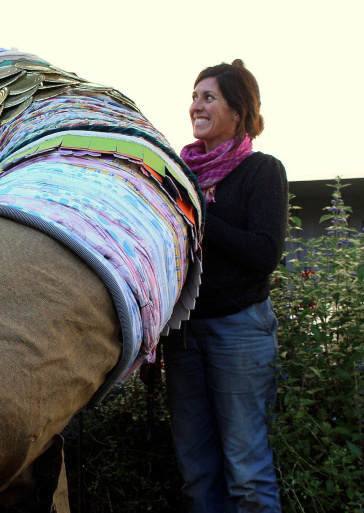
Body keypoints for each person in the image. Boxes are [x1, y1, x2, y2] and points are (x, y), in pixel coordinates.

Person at [162, 59, 288, 512]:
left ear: (237, 111)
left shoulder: (261, 171)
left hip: (238, 331)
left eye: (208, 97)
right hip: (184, 335)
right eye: (195, 96)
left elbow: (263, 253)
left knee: (247, 472)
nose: (196, 105)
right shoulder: (177, 177)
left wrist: (199, 214)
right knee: (197, 473)